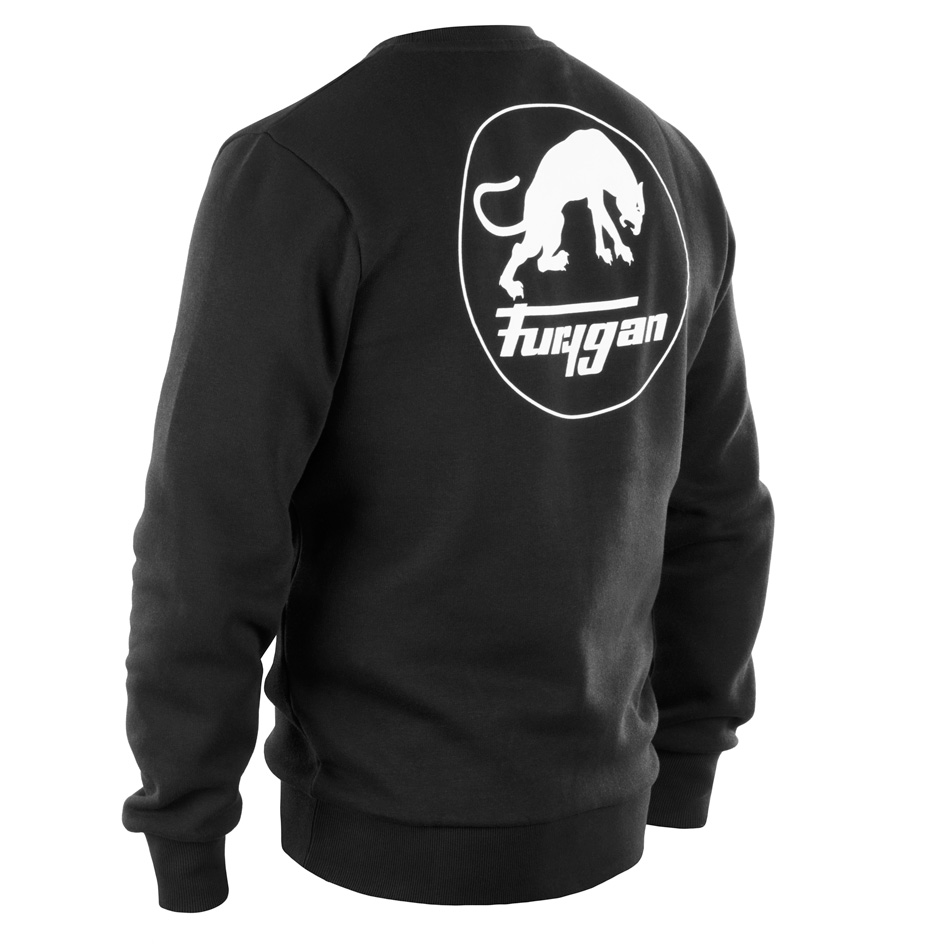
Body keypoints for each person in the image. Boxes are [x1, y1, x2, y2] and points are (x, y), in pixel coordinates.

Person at [123, 24, 775, 912]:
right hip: (612, 827)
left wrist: (187, 830)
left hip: (361, 844)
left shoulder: (300, 165)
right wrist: (687, 757)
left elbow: (207, 530)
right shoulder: (671, 165)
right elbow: (722, 507)